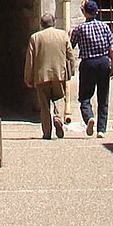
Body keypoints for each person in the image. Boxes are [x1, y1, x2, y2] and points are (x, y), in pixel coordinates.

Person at [69, 0, 113, 137]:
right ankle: (101, 130)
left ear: (85, 13)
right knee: (103, 98)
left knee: (84, 96)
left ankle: (89, 117)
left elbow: (70, 46)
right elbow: (112, 50)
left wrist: (69, 35)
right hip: (103, 62)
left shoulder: (80, 29)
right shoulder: (104, 26)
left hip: (88, 63)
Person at [24, 11, 74, 139]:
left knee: (44, 106)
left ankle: (47, 132)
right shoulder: (63, 35)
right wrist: (71, 70)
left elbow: (30, 60)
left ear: (41, 24)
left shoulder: (35, 38)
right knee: (58, 98)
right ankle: (58, 118)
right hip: (59, 73)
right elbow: (70, 55)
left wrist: (28, 77)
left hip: (41, 76)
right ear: (54, 23)